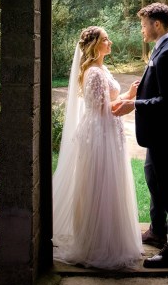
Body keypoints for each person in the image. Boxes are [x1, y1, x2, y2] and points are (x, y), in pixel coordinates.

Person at [52, 25, 143, 270]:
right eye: (105, 39)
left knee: (110, 184)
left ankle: (110, 238)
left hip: (106, 130)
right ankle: (97, 243)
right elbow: (106, 108)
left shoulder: (102, 68)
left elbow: (109, 101)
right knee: (100, 184)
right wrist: (134, 102)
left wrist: (128, 92)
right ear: (94, 45)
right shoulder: (93, 72)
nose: (110, 42)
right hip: (99, 135)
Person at [112, 2, 168, 268]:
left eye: (144, 25)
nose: (142, 30)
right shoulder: (163, 48)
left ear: (157, 24)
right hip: (158, 134)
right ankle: (158, 231)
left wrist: (132, 104)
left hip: (165, 134)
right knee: (153, 179)